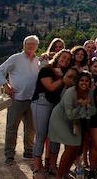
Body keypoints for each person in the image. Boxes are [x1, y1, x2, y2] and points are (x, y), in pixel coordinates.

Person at [0, 35, 40, 166]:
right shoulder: (15, 58)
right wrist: (6, 86)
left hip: (32, 100)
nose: (31, 46)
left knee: (31, 129)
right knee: (12, 128)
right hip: (17, 100)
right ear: (24, 45)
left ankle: (28, 151)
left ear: (37, 46)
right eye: (28, 44)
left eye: (33, 44)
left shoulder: (38, 61)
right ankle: (9, 155)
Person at [31, 49, 74, 178]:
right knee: (41, 136)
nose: (65, 60)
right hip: (41, 103)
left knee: (55, 136)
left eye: (68, 59)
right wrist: (64, 78)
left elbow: (73, 85)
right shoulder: (46, 70)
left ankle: (52, 166)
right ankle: (37, 168)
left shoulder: (66, 73)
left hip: (57, 106)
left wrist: (67, 77)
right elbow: (51, 87)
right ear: (58, 56)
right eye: (63, 57)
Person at [49, 71, 97, 179]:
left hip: (76, 120)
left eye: (86, 81)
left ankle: (66, 172)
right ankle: (59, 175)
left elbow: (93, 111)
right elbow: (69, 114)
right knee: (71, 146)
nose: (84, 83)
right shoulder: (70, 92)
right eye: (82, 80)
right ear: (77, 82)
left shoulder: (90, 93)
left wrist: (87, 105)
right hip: (61, 118)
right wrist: (81, 106)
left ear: (89, 82)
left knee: (77, 147)